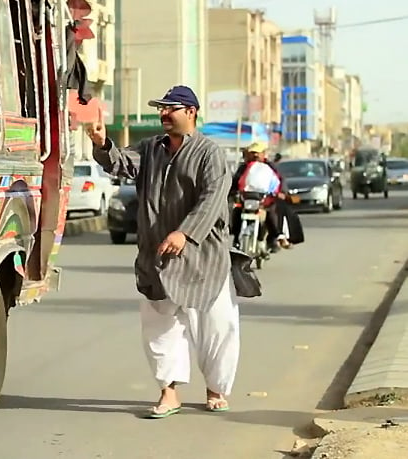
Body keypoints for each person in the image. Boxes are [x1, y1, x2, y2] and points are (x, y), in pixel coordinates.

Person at [87, 85, 239, 418]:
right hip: (157, 257)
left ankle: (215, 388)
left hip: (203, 257)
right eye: (161, 108)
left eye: (171, 108)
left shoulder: (210, 153)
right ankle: (169, 393)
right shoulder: (151, 148)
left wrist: (185, 232)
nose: (164, 114)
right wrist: (101, 143)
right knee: (159, 327)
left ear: (191, 112)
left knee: (216, 326)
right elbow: (122, 163)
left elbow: (213, 198)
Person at [230, 142, 288, 251]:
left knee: (272, 212)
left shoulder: (270, 167)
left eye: (258, 153)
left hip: (265, 199)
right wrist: (231, 192)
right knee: (237, 211)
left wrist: (282, 192)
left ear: (263, 154)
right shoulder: (243, 167)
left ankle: (273, 239)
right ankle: (237, 239)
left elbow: (280, 180)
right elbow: (236, 181)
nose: (255, 156)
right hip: (247, 199)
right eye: (252, 153)